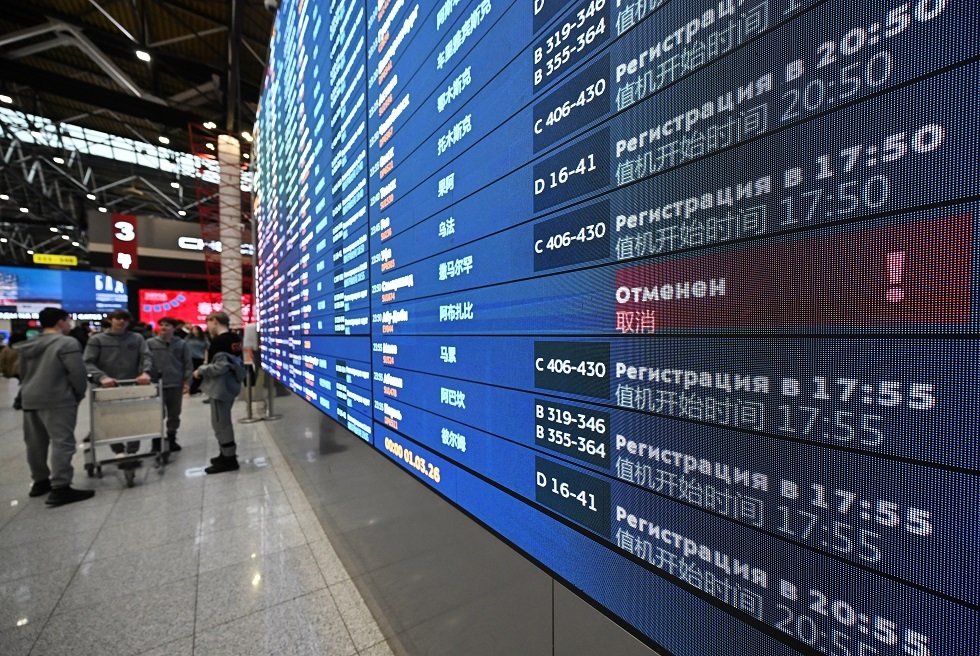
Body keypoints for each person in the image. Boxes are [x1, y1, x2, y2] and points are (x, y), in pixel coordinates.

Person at [15, 307, 93, 506]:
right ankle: (61, 487)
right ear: (60, 322)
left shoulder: (29, 344)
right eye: (68, 320)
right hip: (57, 398)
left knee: (35, 443)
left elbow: (21, 373)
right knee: (62, 442)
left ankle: (40, 481)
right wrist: (77, 394)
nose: (69, 324)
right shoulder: (67, 343)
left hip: (30, 398)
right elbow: (77, 373)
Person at [84, 309, 152, 453]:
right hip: (106, 387)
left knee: (134, 418)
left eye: (125, 319)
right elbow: (87, 362)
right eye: (118, 318)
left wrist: (145, 372)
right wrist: (101, 377)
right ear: (110, 320)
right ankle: (118, 450)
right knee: (110, 419)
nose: (122, 321)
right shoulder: (97, 339)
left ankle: (132, 452)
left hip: (131, 384)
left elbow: (146, 356)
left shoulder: (137, 338)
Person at [193, 311, 244, 474]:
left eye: (208, 322)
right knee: (223, 421)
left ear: (214, 321)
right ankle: (225, 454)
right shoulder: (234, 338)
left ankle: (229, 458)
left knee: (221, 423)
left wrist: (201, 370)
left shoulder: (219, 341)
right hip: (231, 384)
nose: (207, 327)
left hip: (220, 387)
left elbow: (220, 367)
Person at [146, 317, 193, 452]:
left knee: (174, 413)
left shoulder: (181, 344)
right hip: (156, 384)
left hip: (175, 383)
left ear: (173, 328)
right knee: (157, 414)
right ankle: (156, 441)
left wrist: (187, 382)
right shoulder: (150, 343)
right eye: (161, 325)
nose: (163, 327)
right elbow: (145, 360)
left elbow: (187, 364)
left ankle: (172, 438)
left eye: (167, 325)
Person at [185, 324, 208, 396]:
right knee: (190, 374)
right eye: (193, 330)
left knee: (198, 374)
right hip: (190, 358)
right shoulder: (188, 338)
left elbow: (207, 349)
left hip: (200, 358)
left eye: (196, 330)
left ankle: (197, 388)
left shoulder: (203, 339)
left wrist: (206, 359)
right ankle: (191, 389)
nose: (195, 331)